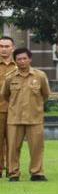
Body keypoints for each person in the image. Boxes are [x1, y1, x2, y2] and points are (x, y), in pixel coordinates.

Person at [3, 47, 48, 181]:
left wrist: (36, 107)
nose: (22, 61)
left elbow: (45, 94)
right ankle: (13, 173)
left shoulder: (40, 76)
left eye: (24, 58)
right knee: (13, 148)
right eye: (19, 59)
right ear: (15, 61)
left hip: (34, 118)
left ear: (30, 59)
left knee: (36, 148)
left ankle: (37, 173)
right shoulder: (10, 77)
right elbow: (5, 95)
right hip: (15, 119)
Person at [0, 36, 17, 172]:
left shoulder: (20, 65)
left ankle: (12, 170)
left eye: (7, 46)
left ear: (13, 48)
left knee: (13, 142)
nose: (4, 49)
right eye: (1, 46)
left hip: (15, 110)